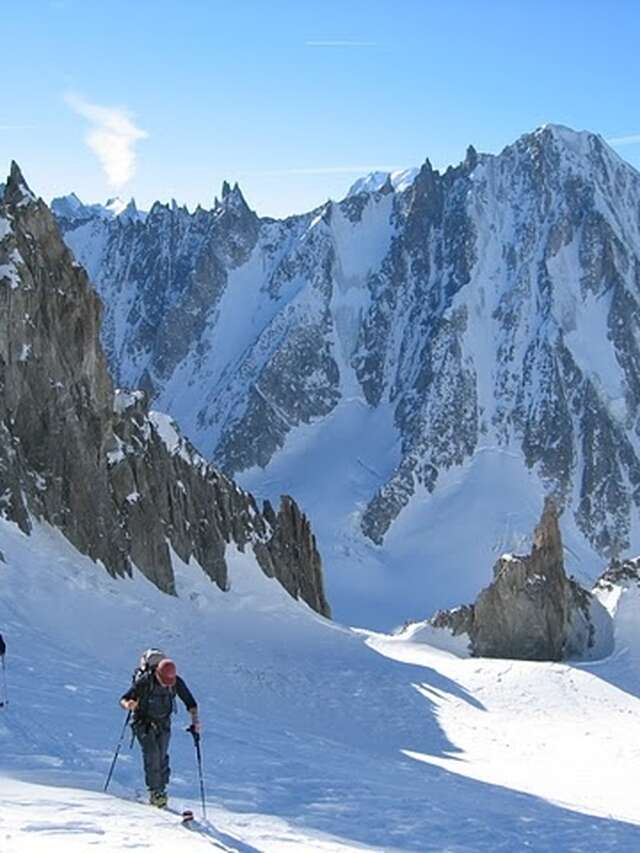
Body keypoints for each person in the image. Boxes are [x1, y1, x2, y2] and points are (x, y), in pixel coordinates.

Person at [120, 657, 200, 808]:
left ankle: (161, 790)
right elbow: (124, 699)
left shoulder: (176, 681)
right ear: (157, 674)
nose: (166, 684)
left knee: (162, 756)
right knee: (152, 754)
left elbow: (191, 702)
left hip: (163, 723)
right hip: (143, 722)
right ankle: (155, 793)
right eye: (164, 681)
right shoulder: (145, 681)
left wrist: (195, 721)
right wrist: (129, 705)